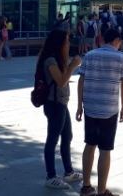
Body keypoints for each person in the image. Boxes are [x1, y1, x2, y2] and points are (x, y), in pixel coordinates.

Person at [75, 29, 123, 196]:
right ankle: (102, 190)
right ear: (116, 40)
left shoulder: (89, 55)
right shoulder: (121, 58)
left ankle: (86, 186)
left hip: (90, 107)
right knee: (105, 150)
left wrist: (79, 105)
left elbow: (81, 80)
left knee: (90, 145)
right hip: (110, 108)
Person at [37, 28, 84, 189]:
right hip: (54, 104)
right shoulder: (50, 61)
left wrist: (70, 65)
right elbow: (61, 81)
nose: (68, 43)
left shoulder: (57, 59)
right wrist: (72, 66)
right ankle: (50, 176)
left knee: (67, 136)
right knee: (52, 139)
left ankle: (68, 172)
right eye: (66, 41)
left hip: (61, 103)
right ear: (59, 43)